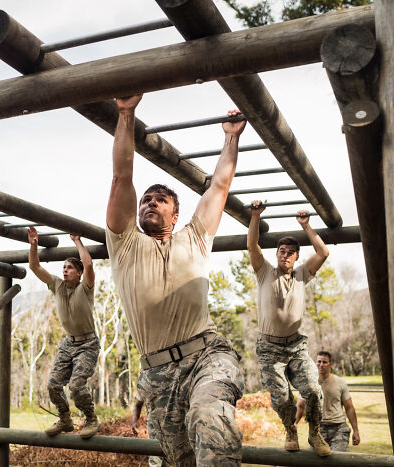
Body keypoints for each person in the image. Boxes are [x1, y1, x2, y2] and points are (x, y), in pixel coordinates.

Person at [106, 94, 247, 466]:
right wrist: (125, 114)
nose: (149, 203)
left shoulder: (195, 237)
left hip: (206, 356)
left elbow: (219, 187)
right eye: (145, 200)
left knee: (209, 416)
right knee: (175, 461)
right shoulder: (124, 245)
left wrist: (231, 138)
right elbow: (122, 175)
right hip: (158, 374)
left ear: (176, 211)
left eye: (159, 200)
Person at [247, 199, 331, 457]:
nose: (285, 255)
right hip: (269, 349)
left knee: (314, 391)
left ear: (296, 256)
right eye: (281, 251)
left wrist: (306, 225)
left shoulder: (302, 274)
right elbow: (251, 245)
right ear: (277, 254)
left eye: (290, 252)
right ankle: (290, 430)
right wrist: (255, 215)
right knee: (282, 397)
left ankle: (315, 434)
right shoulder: (264, 272)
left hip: (296, 346)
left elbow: (323, 252)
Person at [27, 227, 100, 438]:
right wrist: (34, 244)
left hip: (88, 343)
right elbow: (34, 266)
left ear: (78, 273)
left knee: (77, 385)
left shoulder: (85, 287)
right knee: (53, 384)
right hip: (68, 343)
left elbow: (88, 264)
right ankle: (65, 419)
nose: (65, 270)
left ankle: (91, 419)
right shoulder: (57, 286)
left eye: (69, 268)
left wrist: (77, 241)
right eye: (63, 267)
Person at [295, 351, 361, 451]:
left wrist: (356, 431)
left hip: (339, 428)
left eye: (324, 362)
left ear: (331, 364)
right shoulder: (309, 383)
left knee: (337, 460)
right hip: (317, 430)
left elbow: (349, 408)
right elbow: (300, 406)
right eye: (319, 361)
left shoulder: (340, 382)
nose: (321, 365)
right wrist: (294, 424)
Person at [132, 394, 168, 467]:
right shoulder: (146, 383)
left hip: (175, 432)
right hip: (155, 431)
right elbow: (138, 405)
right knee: (155, 461)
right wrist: (134, 422)